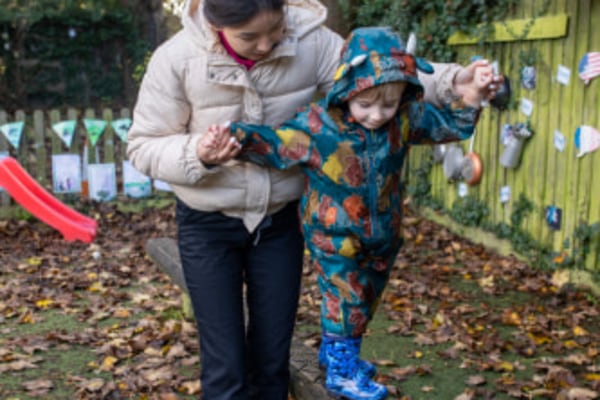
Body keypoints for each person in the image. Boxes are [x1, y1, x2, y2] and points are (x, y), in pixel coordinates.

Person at [126, 0, 500, 398]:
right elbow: (143, 147)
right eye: (250, 37)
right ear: (216, 23)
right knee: (225, 365)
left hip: (279, 222)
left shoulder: (313, 42)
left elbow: (377, 68)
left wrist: (458, 81)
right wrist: (198, 153)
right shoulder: (176, 59)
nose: (268, 44)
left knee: (273, 359)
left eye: (275, 30)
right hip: (209, 223)